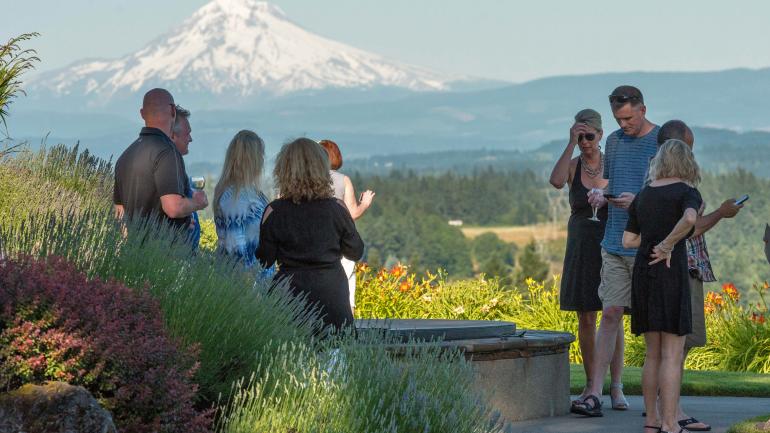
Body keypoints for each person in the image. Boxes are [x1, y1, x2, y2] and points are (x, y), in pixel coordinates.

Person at [649, 120, 743, 432]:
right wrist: (721, 212)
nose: (693, 155)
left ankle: (661, 415)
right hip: (681, 267)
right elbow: (692, 227)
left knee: (663, 349)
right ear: (677, 150)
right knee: (678, 346)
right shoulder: (682, 190)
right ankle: (671, 414)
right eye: (689, 148)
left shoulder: (652, 187)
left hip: (660, 270)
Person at [574, 85, 660, 417]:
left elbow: (667, 192)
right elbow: (609, 182)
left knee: (650, 321)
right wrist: (600, 194)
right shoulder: (612, 141)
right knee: (609, 314)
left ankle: (656, 398)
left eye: (626, 118)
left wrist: (638, 202)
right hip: (612, 243)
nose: (622, 124)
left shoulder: (660, 142)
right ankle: (595, 392)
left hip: (645, 246)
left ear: (642, 109)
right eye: (616, 118)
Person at [622, 139, 702, 433]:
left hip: (643, 274)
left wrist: (654, 237)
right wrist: (668, 243)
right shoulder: (687, 192)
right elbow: (691, 218)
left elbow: (628, 241)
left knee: (651, 354)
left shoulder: (642, 196)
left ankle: (652, 420)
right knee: (671, 354)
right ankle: (670, 423)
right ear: (687, 163)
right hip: (670, 274)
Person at [256, 138, 364, 333]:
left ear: (284, 170)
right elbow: (355, 251)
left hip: (289, 296)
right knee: (334, 355)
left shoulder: (274, 211)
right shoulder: (336, 208)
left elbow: (265, 259)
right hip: (332, 296)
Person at [549, 109, 617, 404]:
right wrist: (569, 144)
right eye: (580, 136)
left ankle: (616, 386)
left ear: (600, 135)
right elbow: (555, 180)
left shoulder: (613, 165)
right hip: (581, 244)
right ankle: (592, 385)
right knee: (586, 316)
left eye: (589, 136)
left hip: (610, 240)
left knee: (613, 313)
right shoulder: (574, 166)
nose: (585, 142)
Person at [113, 88, 207, 232]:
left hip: (135, 249)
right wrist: (197, 202)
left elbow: (120, 215)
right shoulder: (167, 152)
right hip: (167, 251)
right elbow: (173, 207)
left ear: (142, 114)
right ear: (173, 111)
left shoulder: (125, 156)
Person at [318, 139, 375, 315]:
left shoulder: (308, 180)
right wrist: (364, 203)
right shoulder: (343, 180)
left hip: (316, 242)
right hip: (339, 242)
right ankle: (347, 330)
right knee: (347, 290)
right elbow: (352, 214)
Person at [213, 130, 272, 272]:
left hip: (258, 281)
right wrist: (249, 289)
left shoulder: (249, 193)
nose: (263, 160)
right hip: (246, 286)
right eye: (261, 155)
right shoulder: (234, 197)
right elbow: (235, 251)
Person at [169, 105, 201, 249]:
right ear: (173, 136)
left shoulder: (176, 164)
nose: (191, 139)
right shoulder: (168, 167)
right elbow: (173, 209)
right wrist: (197, 203)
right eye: (187, 134)